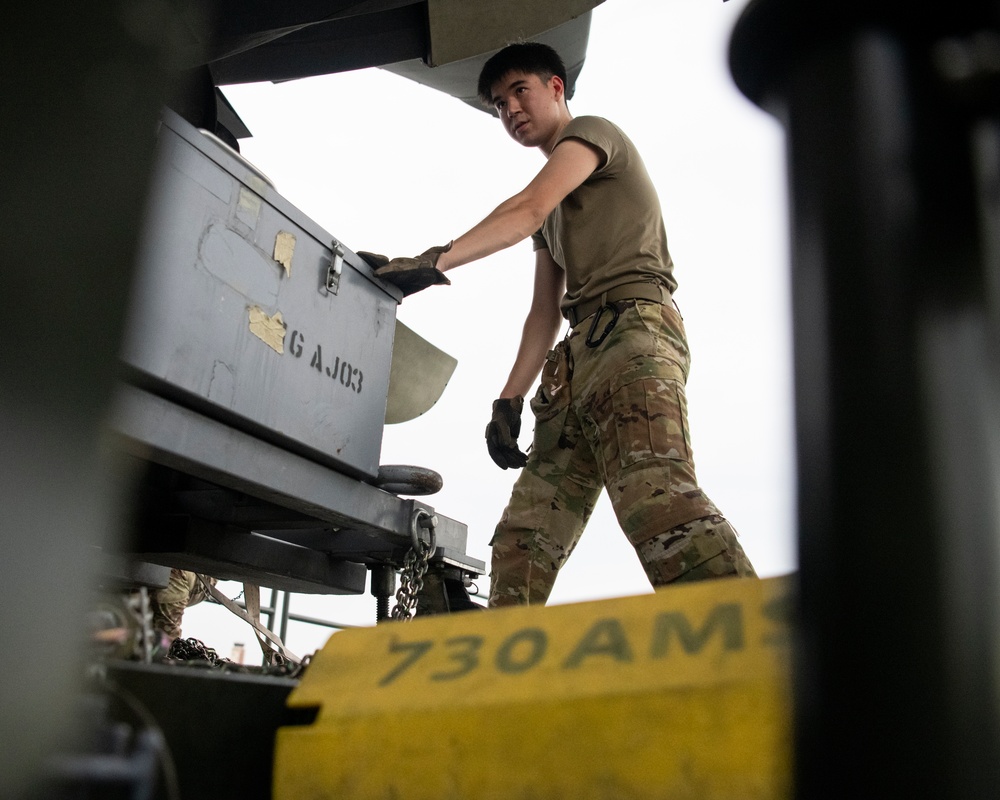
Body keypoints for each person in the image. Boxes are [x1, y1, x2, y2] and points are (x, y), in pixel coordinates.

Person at [365, 42, 756, 608]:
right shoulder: (548, 220)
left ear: (556, 87)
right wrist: (508, 400)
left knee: (656, 499)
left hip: (634, 334)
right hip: (576, 365)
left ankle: (763, 647)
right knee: (524, 540)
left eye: (520, 92)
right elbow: (544, 313)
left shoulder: (594, 134)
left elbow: (525, 206)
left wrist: (434, 260)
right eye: (499, 105)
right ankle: (508, 683)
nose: (510, 111)